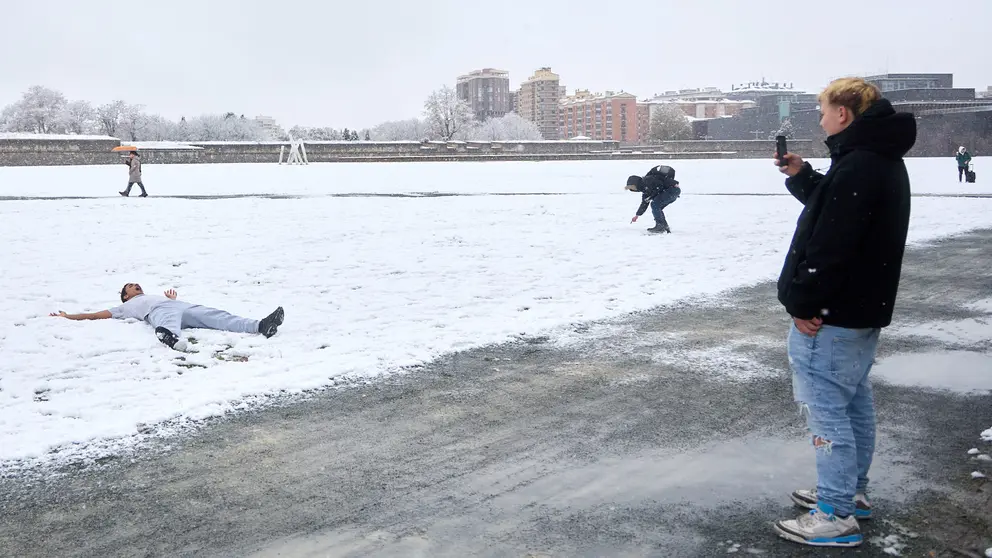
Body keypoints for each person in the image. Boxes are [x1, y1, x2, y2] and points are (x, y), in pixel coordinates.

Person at [772, 77, 916, 548]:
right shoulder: (874, 159)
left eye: (823, 111)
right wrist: (803, 176)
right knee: (853, 403)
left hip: (831, 315)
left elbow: (831, 244)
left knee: (827, 411)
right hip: (858, 308)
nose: (820, 119)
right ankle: (850, 492)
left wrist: (802, 303)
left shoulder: (859, 165)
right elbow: (838, 211)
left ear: (843, 114)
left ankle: (835, 513)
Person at [51, 283, 284, 352]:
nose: (135, 285)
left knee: (216, 316)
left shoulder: (151, 295)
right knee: (167, 321)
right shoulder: (124, 307)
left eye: (136, 284)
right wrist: (68, 316)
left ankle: (260, 326)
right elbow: (94, 315)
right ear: (125, 296)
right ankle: (170, 337)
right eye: (130, 286)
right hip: (158, 312)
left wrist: (172, 299)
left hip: (179, 306)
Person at [626, 164, 681, 233]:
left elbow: (660, 186)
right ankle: (664, 226)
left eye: (632, 187)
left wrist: (651, 196)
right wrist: (637, 215)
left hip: (672, 190)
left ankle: (660, 226)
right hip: (673, 191)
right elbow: (644, 203)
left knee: (655, 205)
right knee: (657, 207)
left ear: (635, 183)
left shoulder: (647, 180)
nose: (633, 189)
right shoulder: (645, 190)